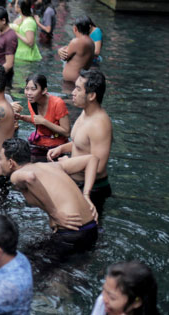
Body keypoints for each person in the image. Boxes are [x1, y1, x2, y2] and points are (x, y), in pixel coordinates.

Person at [0, 138, 100, 256]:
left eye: (0, 159)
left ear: (11, 163)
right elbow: (92, 159)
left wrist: (54, 213)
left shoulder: (15, 176)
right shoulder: (53, 166)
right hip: (92, 228)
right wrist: (86, 195)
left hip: (71, 233)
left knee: (22, 261)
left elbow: (30, 177)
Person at [47, 69, 112, 217]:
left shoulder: (99, 124)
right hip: (77, 184)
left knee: (87, 231)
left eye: (78, 89)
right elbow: (81, 143)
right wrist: (62, 148)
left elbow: (99, 166)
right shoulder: (85, 113)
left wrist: (69, 163)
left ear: (92, 96)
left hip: (92, 189)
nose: (73, 93)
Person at [16, 74, 69, 162]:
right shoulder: (32, 100)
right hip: (38, 142)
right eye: (27, 88)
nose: (28, 93)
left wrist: (44, 122)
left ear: (44, 90)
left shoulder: (58, 103)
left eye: (33, 89)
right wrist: (22, 117)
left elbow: (66, 132)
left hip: (56, 147)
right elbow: (36, 119)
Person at [92, 261, 160, 315]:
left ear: (136, 302)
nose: (104, 299)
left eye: (112, 298)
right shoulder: (103, 301)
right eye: (104, 290)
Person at [57, 16, 95, 82]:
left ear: (75, 28)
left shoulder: (76, 41)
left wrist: (59, 50)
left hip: (73, 80)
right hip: (81, 79)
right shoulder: (91, 42)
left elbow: (64, 56)